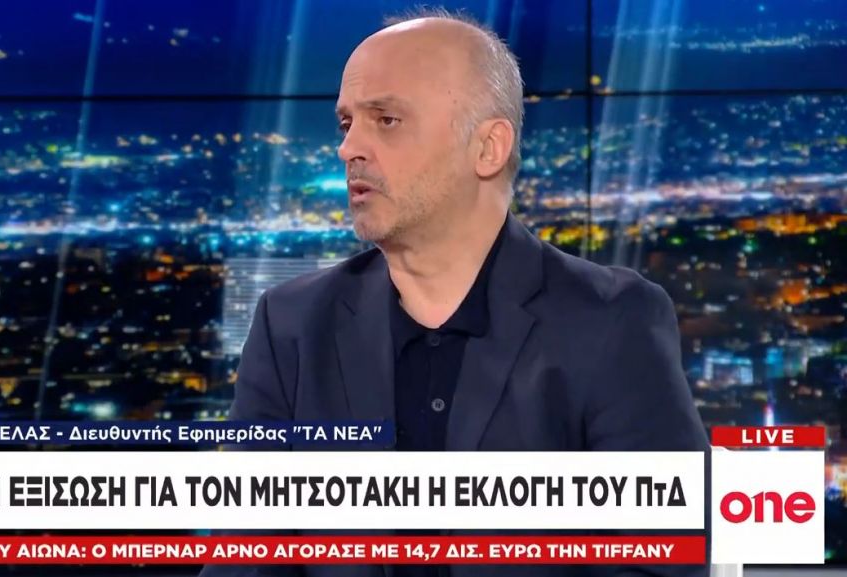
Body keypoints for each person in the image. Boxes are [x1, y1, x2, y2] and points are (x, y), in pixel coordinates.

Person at [202, 8, 709, 577]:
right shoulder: (292, 326)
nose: (349, 149)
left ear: (488, 148)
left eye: (386, 120)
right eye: (346, 124)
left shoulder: (611, 322)